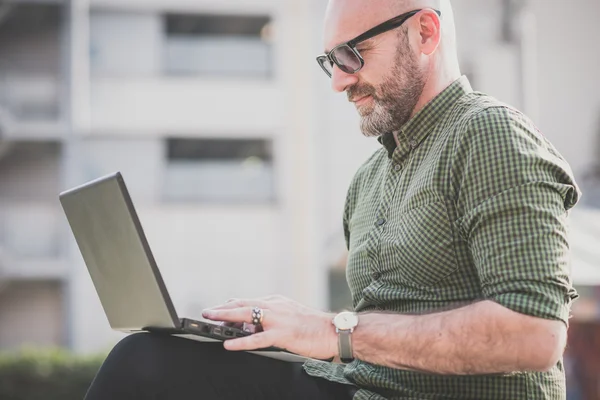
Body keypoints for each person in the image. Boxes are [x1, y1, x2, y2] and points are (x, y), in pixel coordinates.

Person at [84, 0, 581, 399]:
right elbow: (367, 338)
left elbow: (534, 333)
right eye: (330, 61)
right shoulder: (368, 180)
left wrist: (336, 331)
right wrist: (295, 330)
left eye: (352, 54)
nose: (339, 80)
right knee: (155, 357)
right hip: (358, 388)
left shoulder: (490, 135)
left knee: (145, 366)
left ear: (425, 33)